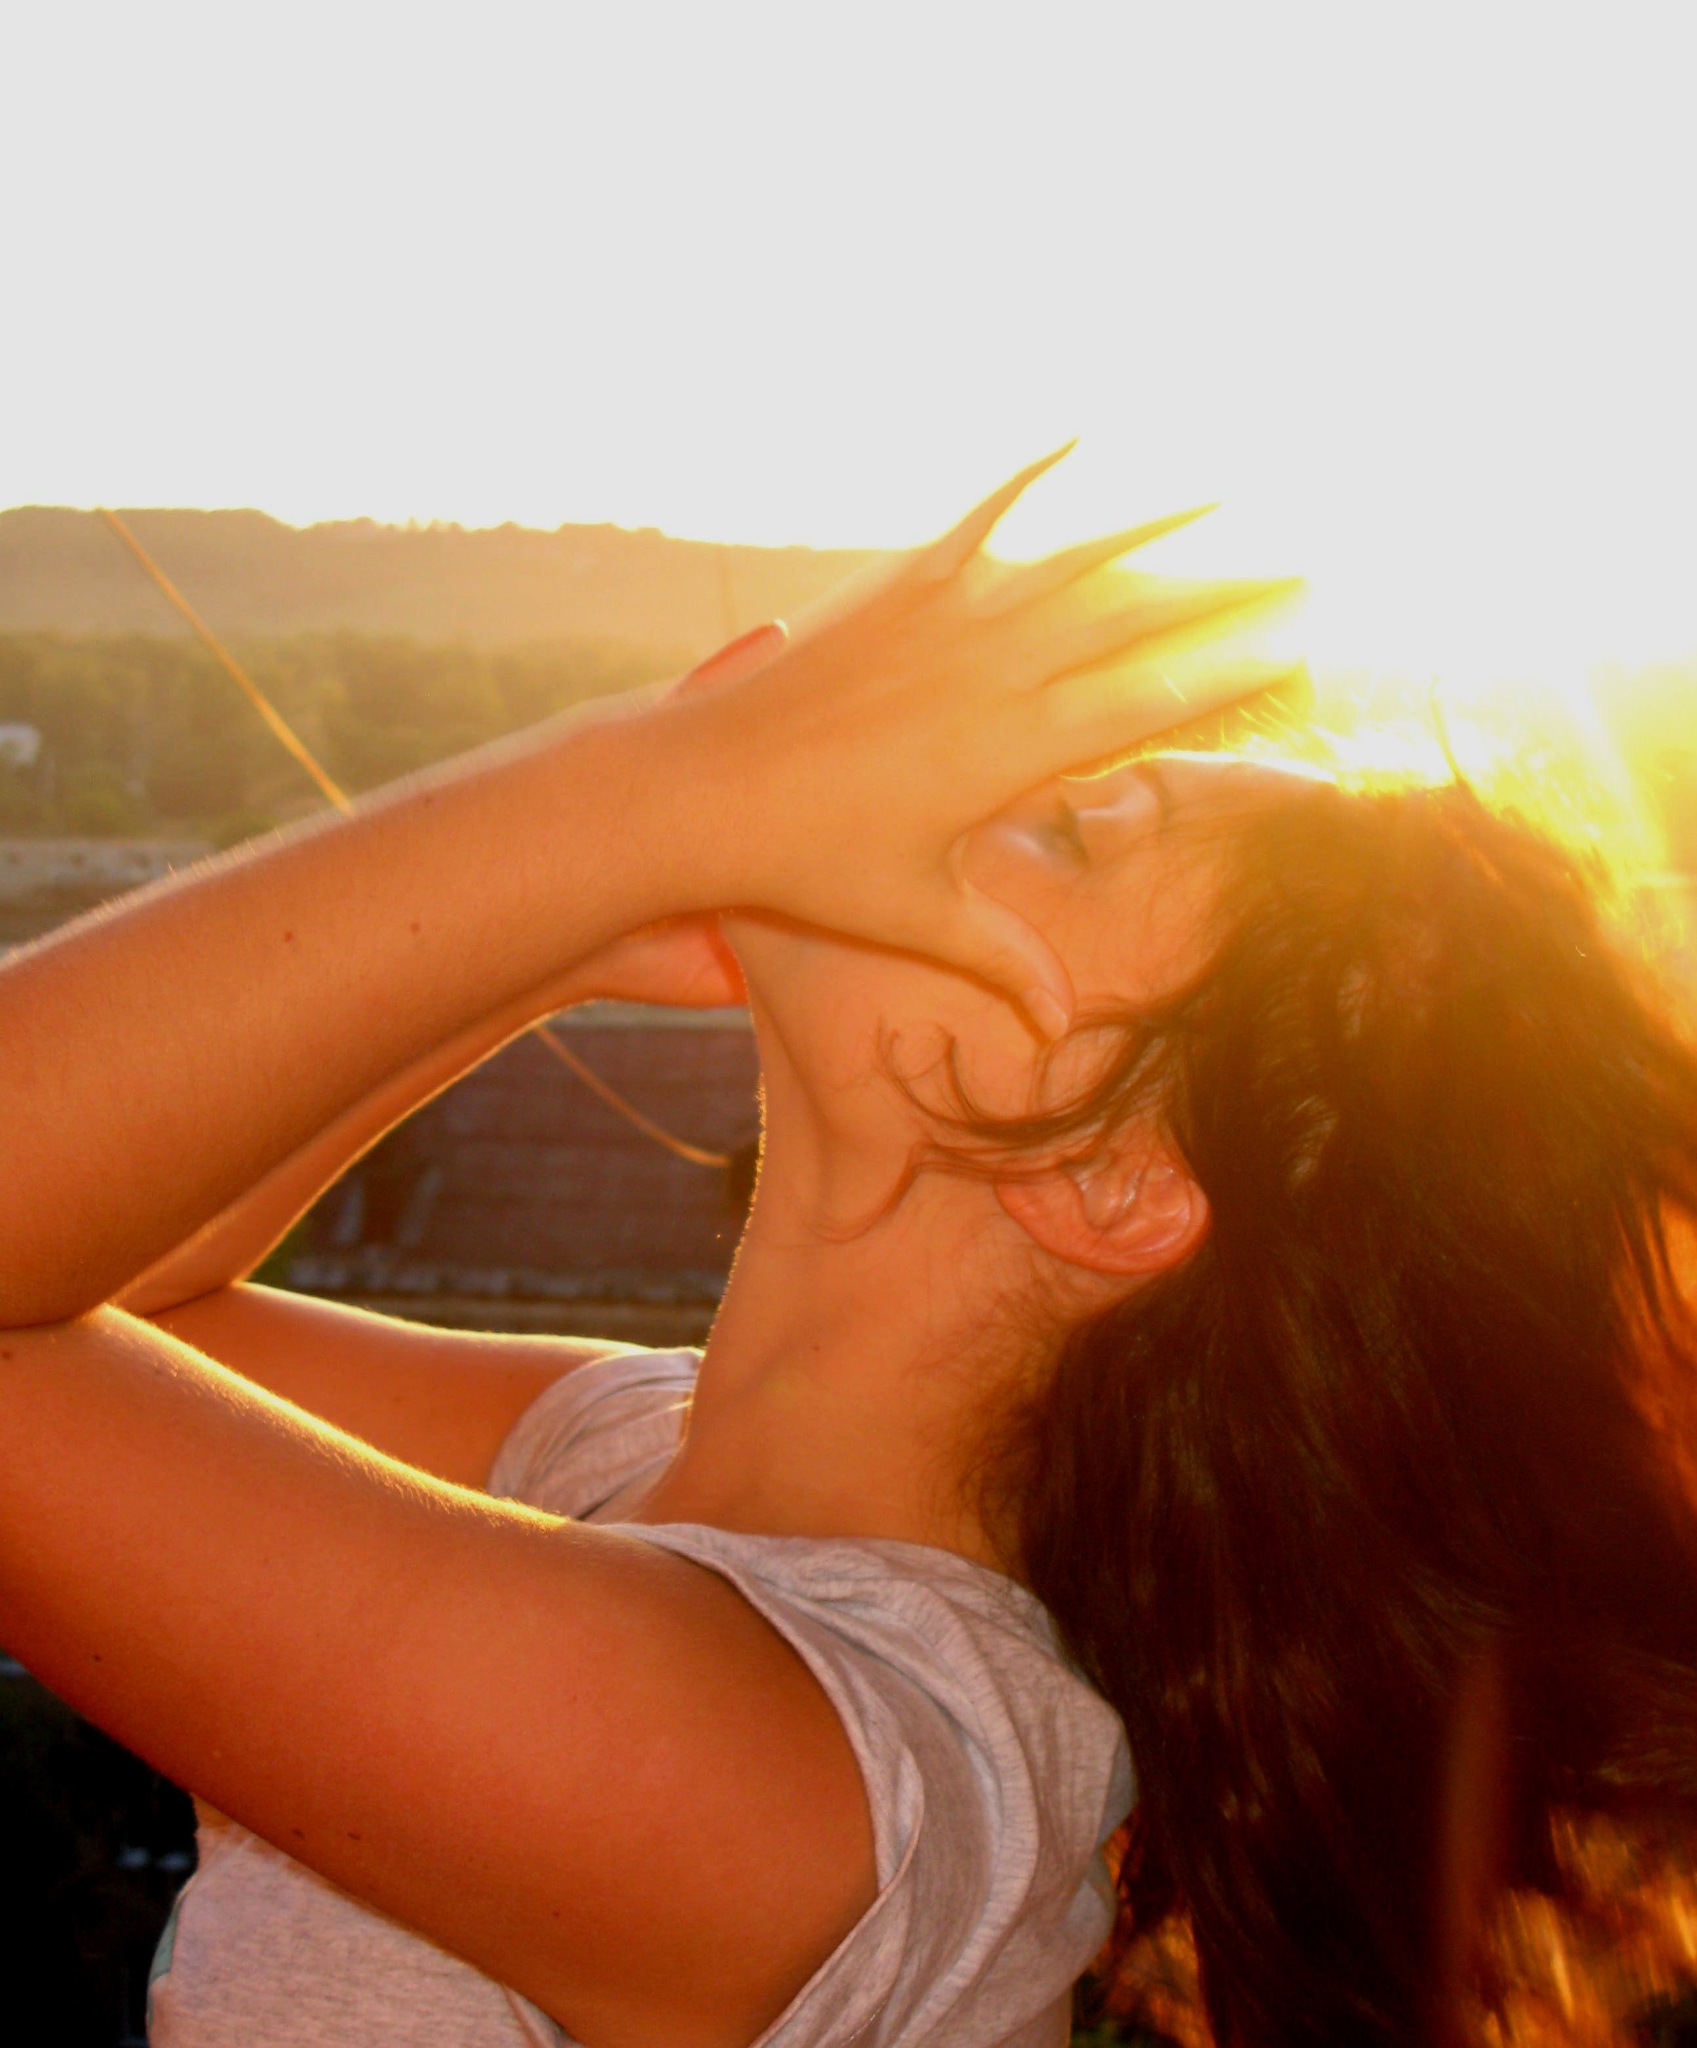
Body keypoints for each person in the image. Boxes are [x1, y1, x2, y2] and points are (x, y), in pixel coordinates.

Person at [1, 453, 1693, 2048]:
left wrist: (653, 798)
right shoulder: (609, 1455)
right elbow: (117, 1290)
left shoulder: (813, 1788)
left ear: (1111, 1180)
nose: (954, 797)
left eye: (1065, 831)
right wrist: (574, 916)